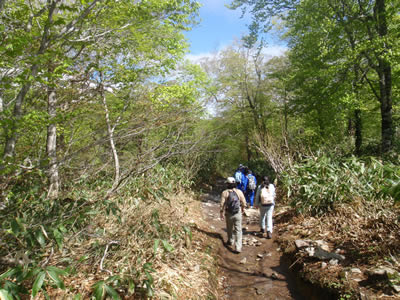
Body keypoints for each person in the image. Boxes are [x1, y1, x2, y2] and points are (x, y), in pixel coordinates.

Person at [220, 177, 246, 253]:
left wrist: (221, 213)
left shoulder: (225, 193)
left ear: (227, 184)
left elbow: (222, 204)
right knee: (238, 230)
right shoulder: (239, 192)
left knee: (229, 228)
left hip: (229, 213)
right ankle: (238, 247)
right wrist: (243, 209)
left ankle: (230, 241)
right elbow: (244, 202)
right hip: (237, 213)